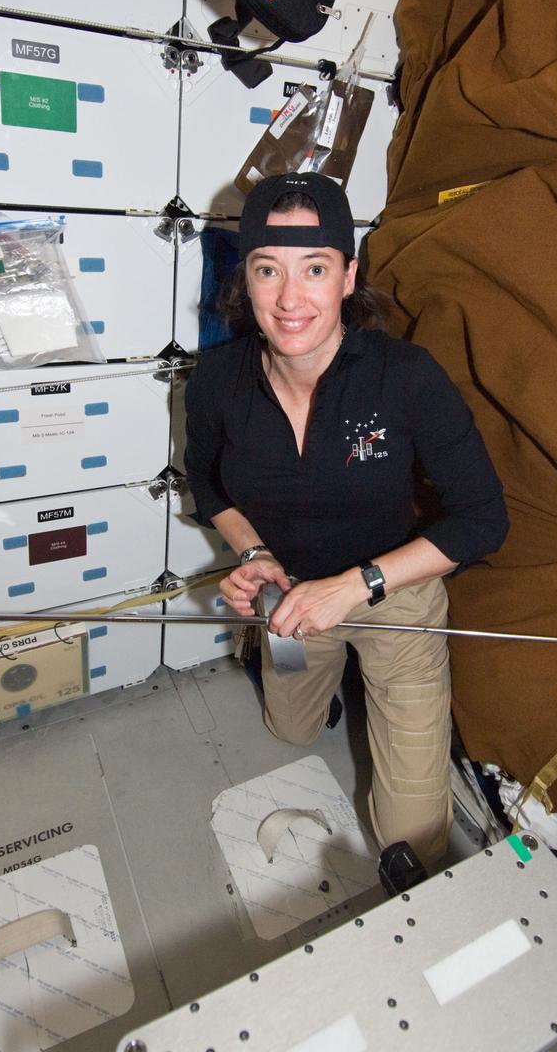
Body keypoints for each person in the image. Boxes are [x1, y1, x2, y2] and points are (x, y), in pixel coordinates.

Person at [184, 172, 508, 866]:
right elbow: (206, 482)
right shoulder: (215, 379)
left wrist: (354, 586)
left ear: (347, 275)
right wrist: (252, 557)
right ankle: (315, 686)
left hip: (397, 594)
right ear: (245, 276)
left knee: (412, 840)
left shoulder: (407, 376)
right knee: (290, 730)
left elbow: (483, 520)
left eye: (315, 269)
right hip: (290, 595)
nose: (290, 298)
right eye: (268, 270)